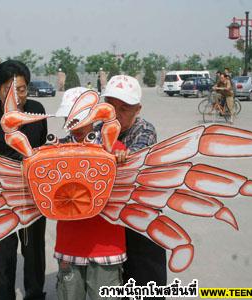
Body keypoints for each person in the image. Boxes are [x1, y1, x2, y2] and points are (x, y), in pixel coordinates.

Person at [0, 60, 47, 300]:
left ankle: (35, 294)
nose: (17, 95)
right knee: (3, 258)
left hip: (33, 198)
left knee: (34, 253)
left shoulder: (36, 111)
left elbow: (43, 148)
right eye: (8, 90)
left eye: (22, 89)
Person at [54, 87, 127, 300]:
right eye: (70, 118)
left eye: (82, 117)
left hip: (107, 245)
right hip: (69, 243)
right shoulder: (54, 152)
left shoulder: (115, 148)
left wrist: (123, 161)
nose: (75, 124)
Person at [101, 75, 166, 300]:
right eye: (110, 106)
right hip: (110, 220)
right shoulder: (96, 129)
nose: (116, 113)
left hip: (141, 218)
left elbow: (134, 160)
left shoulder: (144, 130)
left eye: (125, 108)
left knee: (147, 283)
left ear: (137, 108)